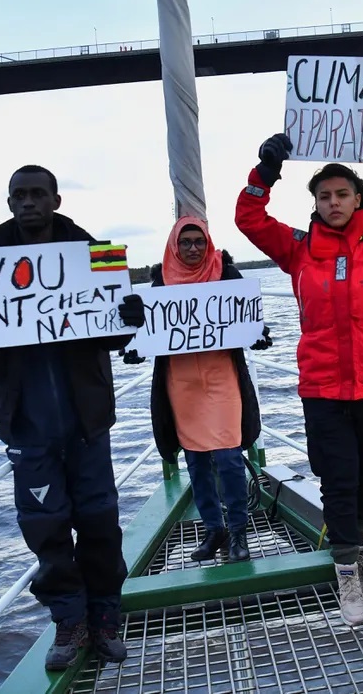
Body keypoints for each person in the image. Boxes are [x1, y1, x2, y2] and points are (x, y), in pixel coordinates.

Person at [0, 165, 146, 671]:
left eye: (36, 194)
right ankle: (69, 618)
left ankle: (106, 614)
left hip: (88, 419)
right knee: (45, 527)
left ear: (56, 199)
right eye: (18, 195)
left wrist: (130, 320)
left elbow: (111, 332)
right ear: (9, 203)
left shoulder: (94, 256)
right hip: (27, 422)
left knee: (100, 521)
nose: (27, 202)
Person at [234, 126, 363, 626]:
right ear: (314, 202)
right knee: (338, 478)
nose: (333, 202)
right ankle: (348, 573)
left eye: (342, 194)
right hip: (324, 388)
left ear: (358, 198)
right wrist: (265, 172)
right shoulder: (297, 249)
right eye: (324, 195)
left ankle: (355, 538)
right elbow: (249, 217)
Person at [125, 217, 270, 563]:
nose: (193, 248)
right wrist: (133, 342)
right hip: (182, 383)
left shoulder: (226, 273)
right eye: (186, 242)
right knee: (196, 461)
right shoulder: (160, 281)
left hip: (222, 379)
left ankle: (238, 532)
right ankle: (213, 529)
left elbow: (245, 316)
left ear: (208, 243)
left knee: (229, 458)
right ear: (175, 245)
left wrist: (259, 332)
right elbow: (150, 327)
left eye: (199, 242)